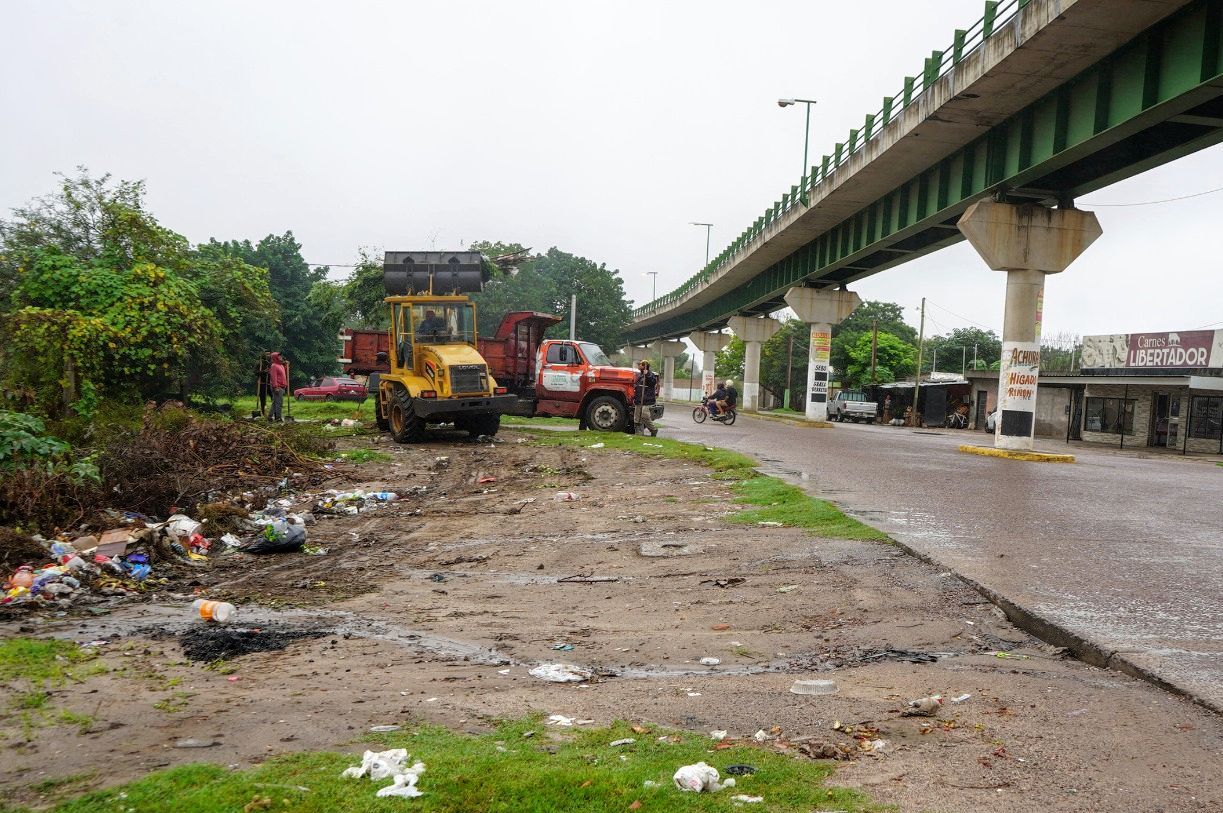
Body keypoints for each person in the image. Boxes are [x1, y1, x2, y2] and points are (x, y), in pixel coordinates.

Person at [633, 360, 659, 436]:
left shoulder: (650, 374)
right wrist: (634, 397)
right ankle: (639, 434)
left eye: (640, 364)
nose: (638, 366)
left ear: (644, 366)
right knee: (637, 418)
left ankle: (653, 429)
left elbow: (652, 383)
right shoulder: (639, 375)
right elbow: (637, 387)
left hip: (647, 400)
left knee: (644, 415)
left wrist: (647, 374)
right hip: (639, 400)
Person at [267, 351, 288, 422]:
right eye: (279, 356)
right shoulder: (274, 366)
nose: (281, 357)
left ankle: (270, 416)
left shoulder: (281, 365)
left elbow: (283, 373)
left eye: (280, 356)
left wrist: (286, 366)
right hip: (277, 387)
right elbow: (274, 378)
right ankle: (278, 418)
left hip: (282, 386)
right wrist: (275, 387)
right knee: (279, 403)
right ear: (275, 357)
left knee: (275, 402)